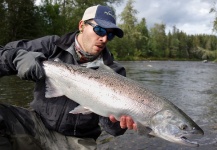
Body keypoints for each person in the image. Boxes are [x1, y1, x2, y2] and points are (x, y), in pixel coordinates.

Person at [0, 4, 137, 150]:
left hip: (78, 141)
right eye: (99, 30)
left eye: (110, 35)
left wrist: (118, 122)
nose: (104, 39)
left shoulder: (114, 71)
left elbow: (113, 130)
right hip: (35, 125)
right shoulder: (52, 45)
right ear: (82, 26)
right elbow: (4, 52)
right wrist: (16, 58)